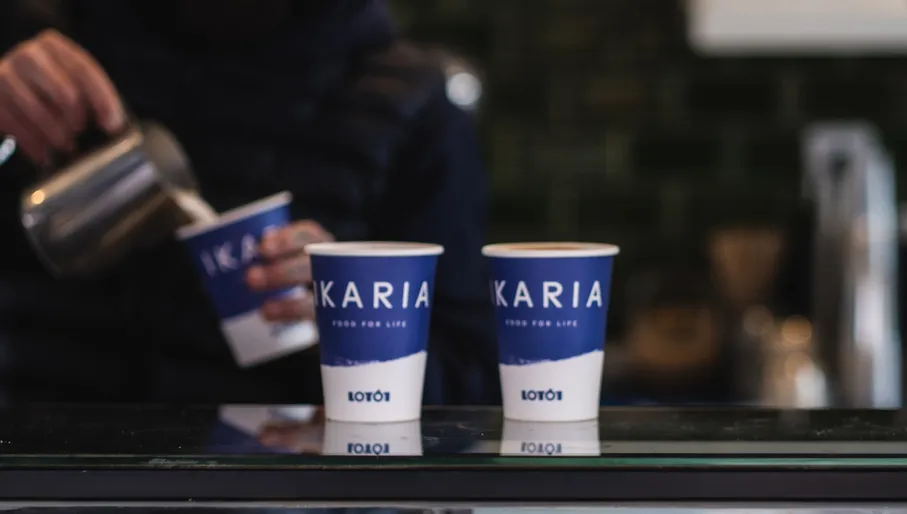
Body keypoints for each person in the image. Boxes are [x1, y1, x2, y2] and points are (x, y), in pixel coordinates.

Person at [0, 0, 499, 406]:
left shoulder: (414, 113)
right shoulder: (49, 42)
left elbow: (469, 385)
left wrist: (361, 330)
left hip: (278, 492)